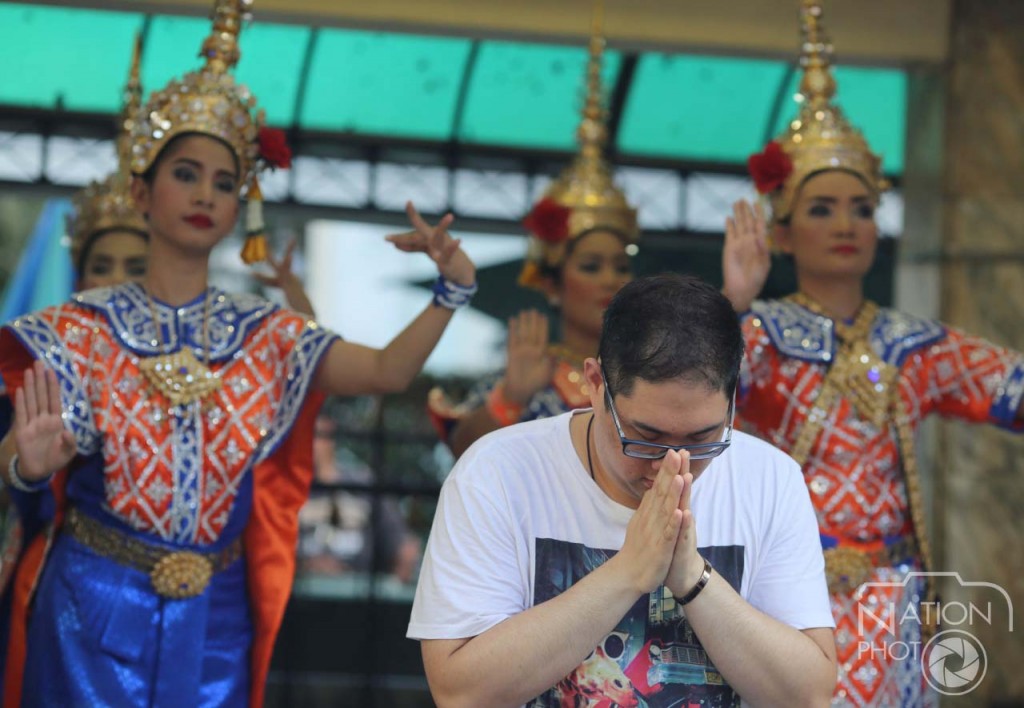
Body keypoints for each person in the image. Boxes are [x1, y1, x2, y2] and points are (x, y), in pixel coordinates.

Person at [0, 2, 476, 706]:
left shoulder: (269, 336)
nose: (205, 194)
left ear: (239, 206)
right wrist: (24, 465)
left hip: (217, 611)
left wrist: (451, 289)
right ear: (141, 191)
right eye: (186, 173)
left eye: (224, 183)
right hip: (91, 601)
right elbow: (15, 458)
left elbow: (387, 371)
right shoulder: (76, 329)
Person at [720, 2, 1024, 705]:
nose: (847, 224)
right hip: (786, 592)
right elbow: (697, 401)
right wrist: (734, 302)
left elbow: (1010, 386)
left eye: (861, 208)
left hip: (894, 598)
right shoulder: (761, 334)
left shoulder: (914, 346)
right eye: (821, 208)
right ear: (782, 233)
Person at [409, 273, 837, 707]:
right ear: (596, 384)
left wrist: (692, 577)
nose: (673, 464)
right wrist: (628, 572)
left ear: (730, 402)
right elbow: (459, 693)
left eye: (702, 438)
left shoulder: (770, 478)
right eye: (645, 436)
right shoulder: (497, 472)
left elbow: (810, 696)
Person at [428, 9, 637, 458]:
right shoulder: (528, 375)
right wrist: (512, 396)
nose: (610, 279)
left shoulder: (649, 375)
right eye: (591, 266)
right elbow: (463, 454)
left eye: (621, 266)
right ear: (552, 283)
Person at [298, 413, 421, 582]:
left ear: (329, 432)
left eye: (314, 434)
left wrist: (393, 590)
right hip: (299, 589)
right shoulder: (286, 490)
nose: (307, 443)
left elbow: (404, 546)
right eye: (301, 436)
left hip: (357, 591)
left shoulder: (363, 483)